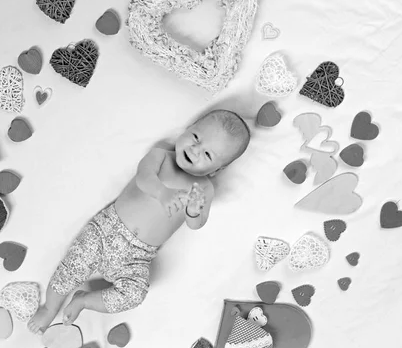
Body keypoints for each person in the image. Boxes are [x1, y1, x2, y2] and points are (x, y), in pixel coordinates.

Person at [28, 109, 251, 333]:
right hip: (106, 231)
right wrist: (162, 193)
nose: (195, 150)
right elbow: (144, 178)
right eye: (195, 137)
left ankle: (84, 300)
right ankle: (50, 307)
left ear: (216, 170)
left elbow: (197, 224)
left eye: (208, 155)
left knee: (135, 295)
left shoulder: (203, 189)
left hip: (138, 256)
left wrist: (194, 211)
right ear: (188, 128)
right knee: (70, 270)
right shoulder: (161, 156)